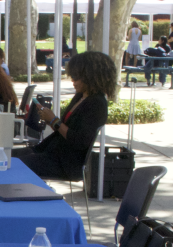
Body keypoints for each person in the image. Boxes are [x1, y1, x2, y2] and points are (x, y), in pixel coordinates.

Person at [13, 51, 116, 180]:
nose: (73, 80)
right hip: (51, 152)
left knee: (15, 164)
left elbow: (79, 141)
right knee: (9, 155)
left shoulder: (96, 104)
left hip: (66, 162)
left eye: (76, 76)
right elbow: (63, 128)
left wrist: (54, 120)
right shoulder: (81, 96)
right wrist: (49, 119)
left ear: (90, 77)